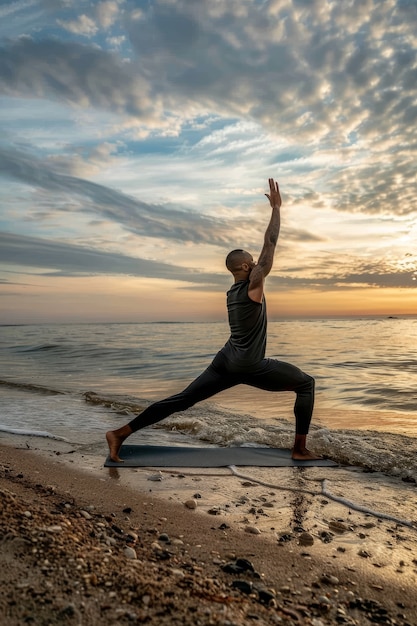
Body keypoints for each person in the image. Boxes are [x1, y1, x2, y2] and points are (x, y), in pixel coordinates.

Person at [106, 178, 320, 462]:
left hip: (225, 360)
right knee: (306, 385)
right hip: (248, 365)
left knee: (182, 400)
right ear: (245, 267)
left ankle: (120, 433)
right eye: (252, 261)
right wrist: (276, 209)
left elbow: (263, 255)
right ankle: (299, 449)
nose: (257, 263)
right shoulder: (251, 287)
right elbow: (270, 244)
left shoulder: (232, 292)